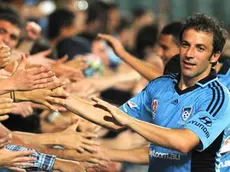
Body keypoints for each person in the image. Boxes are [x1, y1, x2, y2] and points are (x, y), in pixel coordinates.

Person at [48, 13, 230, 171]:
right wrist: (60, 95)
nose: (189, 54)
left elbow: (183, 142)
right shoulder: (160, 85)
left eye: (200, 48)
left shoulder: (217, 96)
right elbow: (113, 119)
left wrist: (129, 121)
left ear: (214, 56)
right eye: (185, 45)